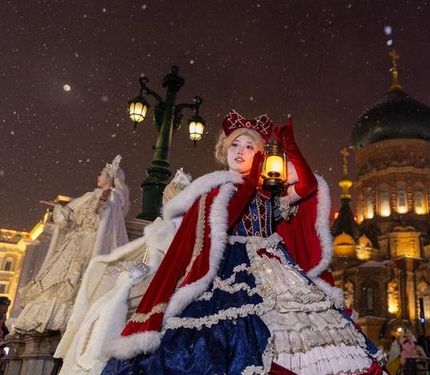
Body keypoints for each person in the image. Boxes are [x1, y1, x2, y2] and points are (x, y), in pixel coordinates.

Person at [101, 111, 385, 375]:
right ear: (225, 151)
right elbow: (230, 213)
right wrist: (250, 183)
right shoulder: (216, 188)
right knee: (219, 334)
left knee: (304, 329)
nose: (240, 151)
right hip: (228, 268)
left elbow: (307, 186)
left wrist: (290, 146)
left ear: (261, 154)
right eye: (235, 145)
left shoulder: (269, 189)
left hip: (276, 268)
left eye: (250, 147)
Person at [54, 169, 192, 375]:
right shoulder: (169, 227)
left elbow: (164, 261)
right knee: (109, 301)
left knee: (111, 304)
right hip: (163, 280)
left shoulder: (175, 228)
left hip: (168, 283)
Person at [13, 155, 129, 334]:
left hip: (87, 244)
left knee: (73, 282)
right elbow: (73, 219)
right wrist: (59, 209)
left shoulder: (112, 197)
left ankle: (66, 320)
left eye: (102, 174)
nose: (98, 177)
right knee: (56, 280)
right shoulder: (89, 196)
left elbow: (105, 217)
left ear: (109, 178)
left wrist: (102, 204)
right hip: (73, 243)